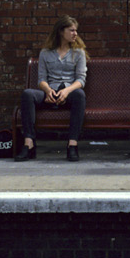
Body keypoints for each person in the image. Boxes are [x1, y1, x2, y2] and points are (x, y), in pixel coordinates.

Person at [17, 15, 88, 161]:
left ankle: (72, 145)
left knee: (80, 95)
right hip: (49, 93)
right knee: (27, 94)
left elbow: (81, 80)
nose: (75, 33)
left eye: (76, 31)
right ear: (61, 32)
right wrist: (48, 91)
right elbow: (41, 79)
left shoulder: (78, 52)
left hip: (69, 94)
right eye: (71, 30)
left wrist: (66, 91)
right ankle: (29, 144)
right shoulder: (45, 53)